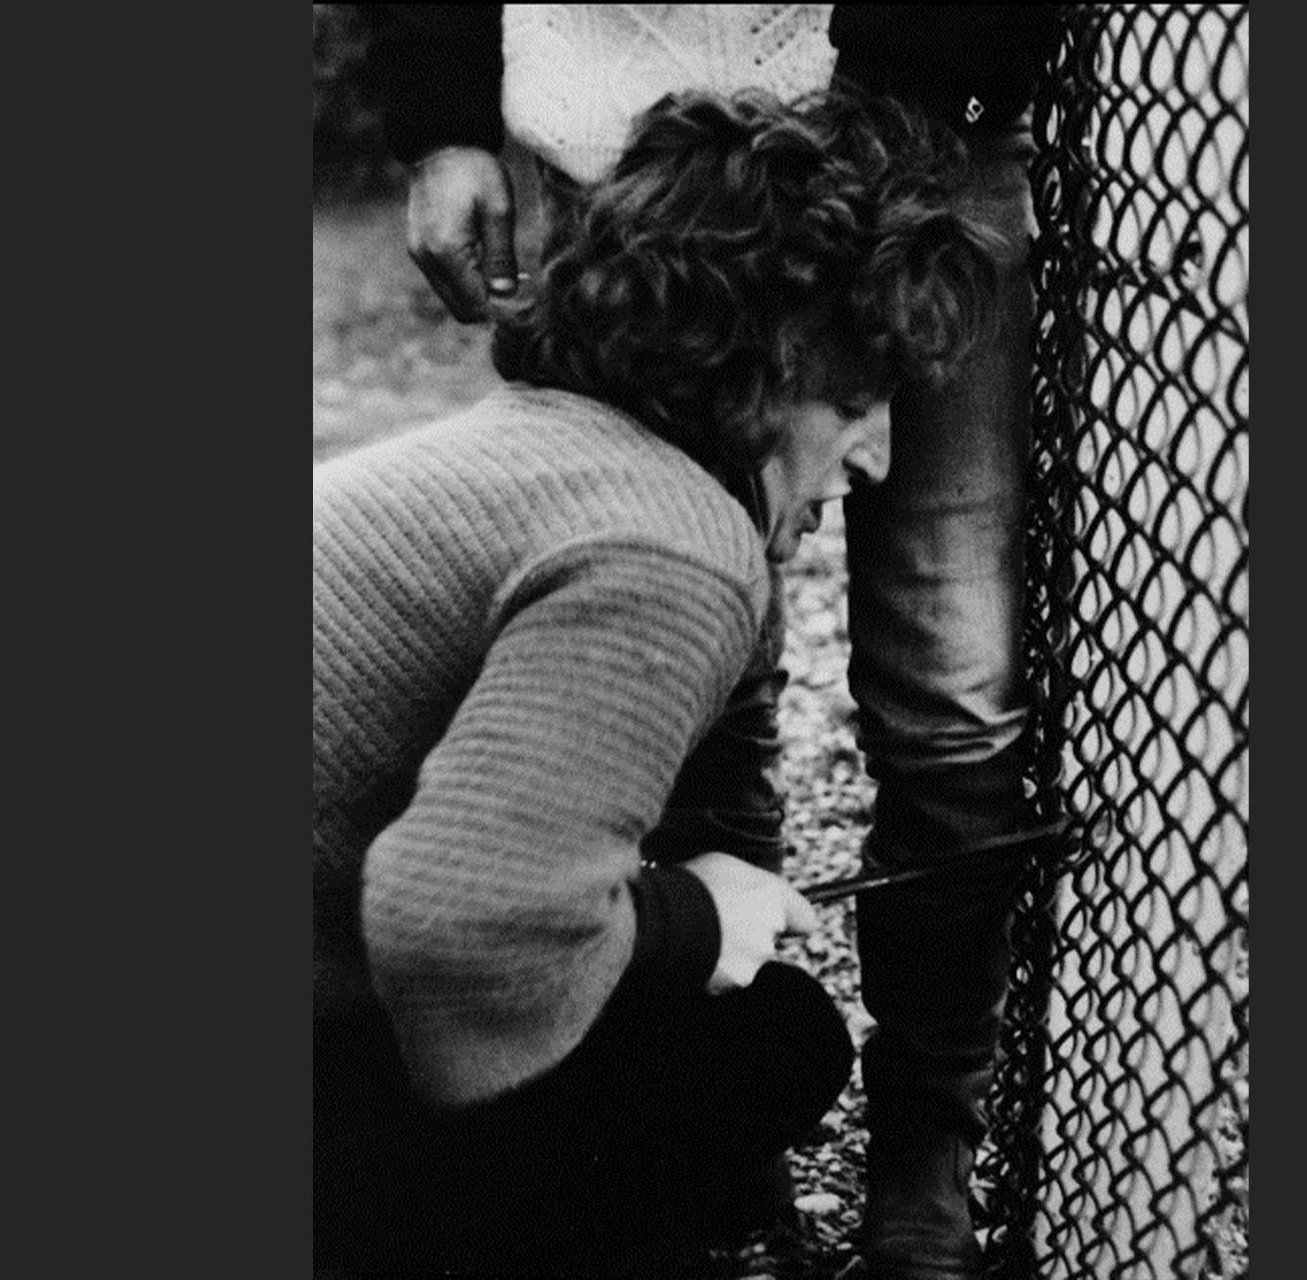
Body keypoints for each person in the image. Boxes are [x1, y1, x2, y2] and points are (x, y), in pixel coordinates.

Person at [357, 8, 1066, 1277]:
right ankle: (663, 1167)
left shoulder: (540, 471)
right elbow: (438, 918)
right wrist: (684, 923)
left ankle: (907, 1156)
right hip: (629, 88)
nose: (877, 455)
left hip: (924, 93)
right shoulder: (669, 553)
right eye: (858, 404)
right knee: (768, 1019)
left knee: (949, 711)